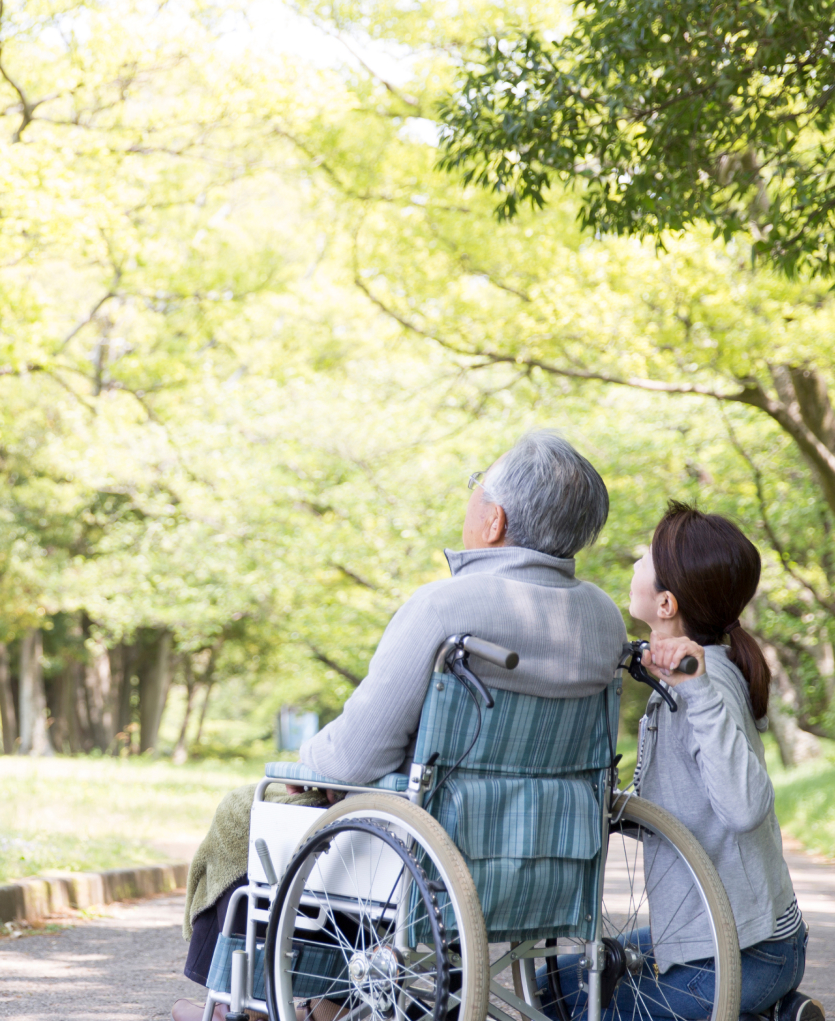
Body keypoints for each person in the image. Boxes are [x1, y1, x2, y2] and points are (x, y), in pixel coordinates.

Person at [173, 431, 626, 1021]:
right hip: (549, 849)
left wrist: (312, 765)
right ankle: (330, 1005)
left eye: (477, 487)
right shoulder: (604, 619)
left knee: (251, 810)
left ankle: (240, 1009)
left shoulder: (447, 605)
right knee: (368, 817)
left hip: (433, 846)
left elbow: (353, 755)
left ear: (494, 521)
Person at [542, 501, 824, 1021]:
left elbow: (745, 808)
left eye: (644, 558)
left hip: (748, 951)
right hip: (709, 939)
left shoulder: (706, 684)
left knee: (581, 1010)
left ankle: (753, 1010)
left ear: (667, 603)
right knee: (548, 986)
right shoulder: (688, 679)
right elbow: (668, 812)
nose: (634, 564)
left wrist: (696, 690)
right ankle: (766, 1012)